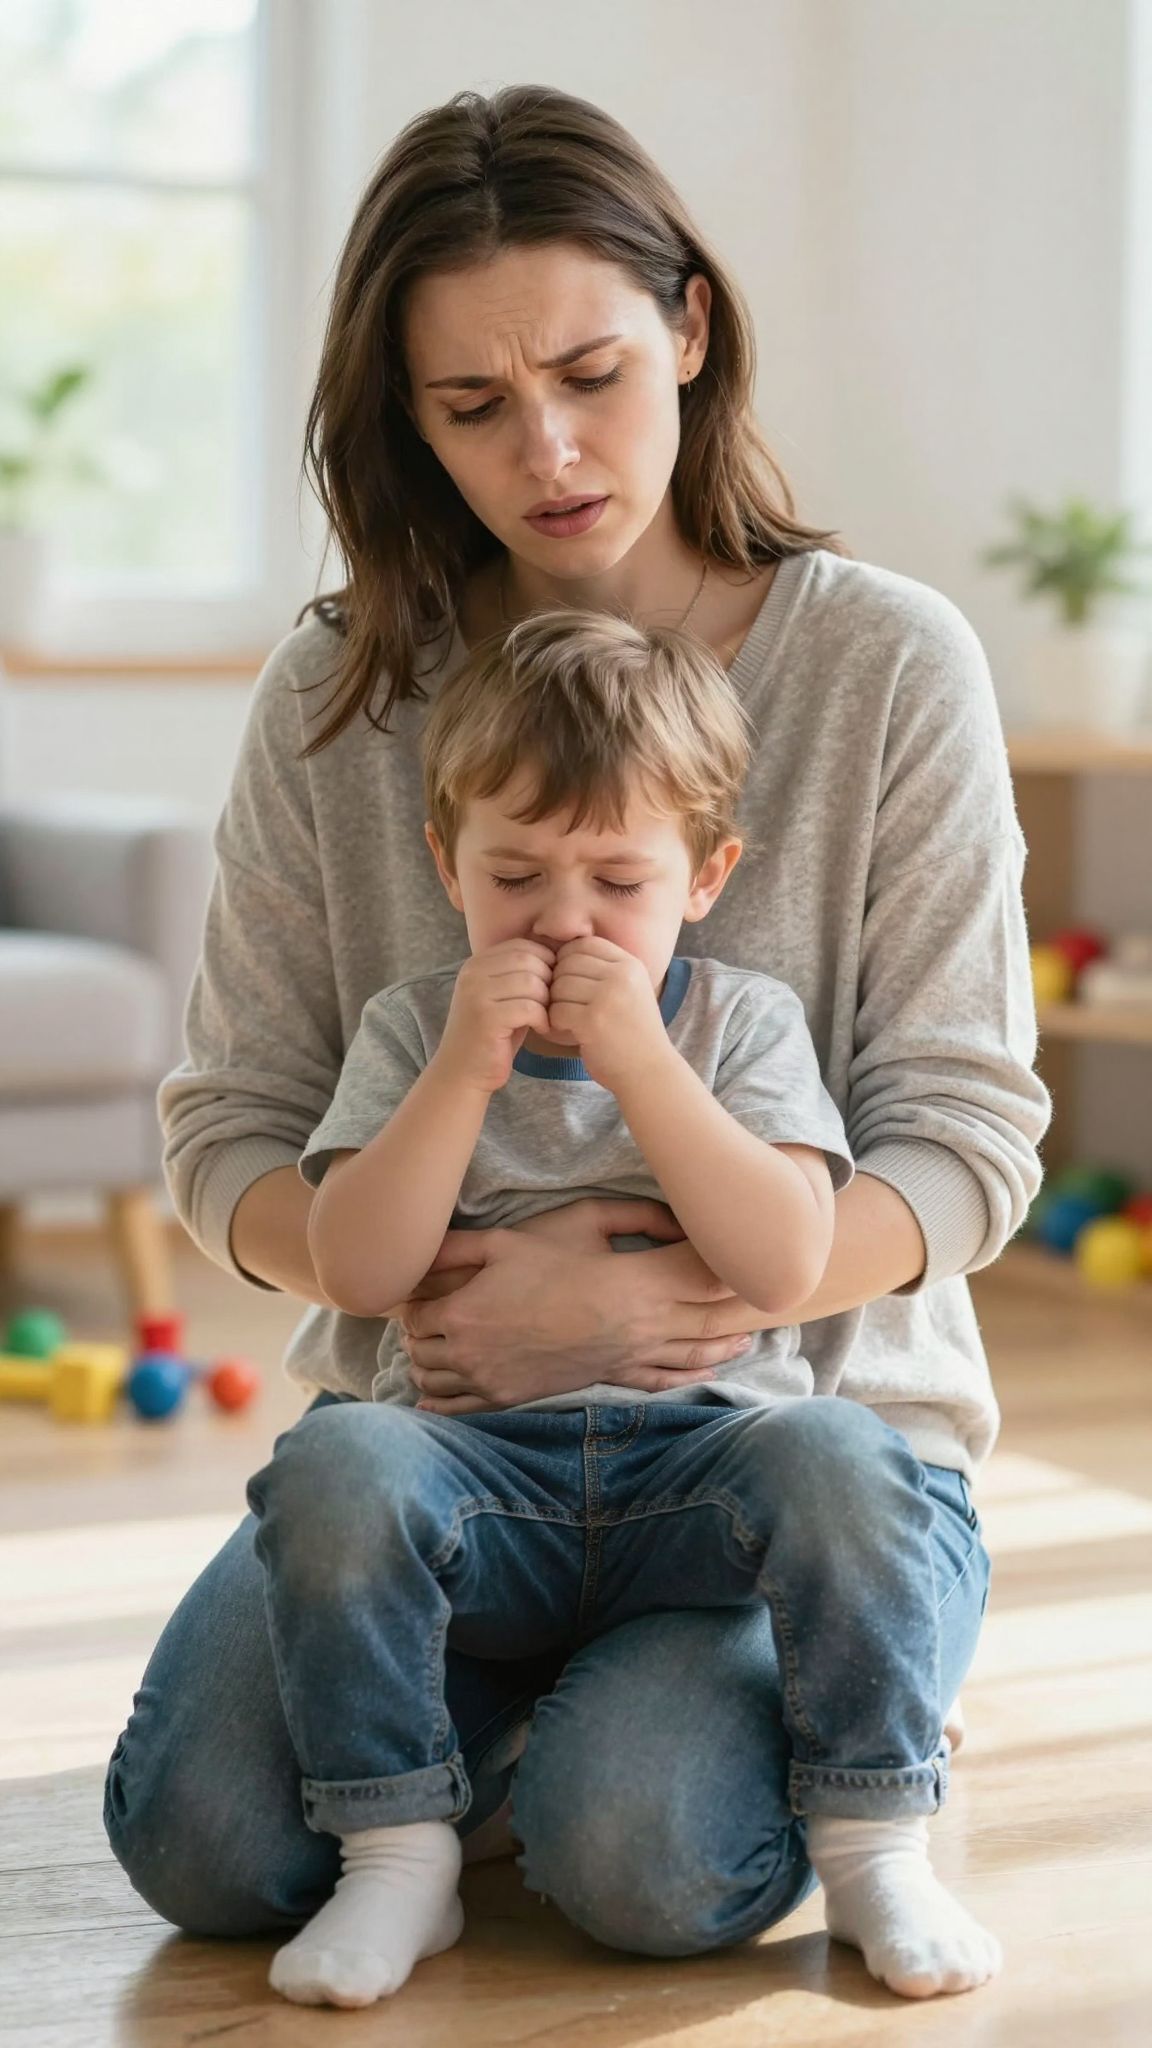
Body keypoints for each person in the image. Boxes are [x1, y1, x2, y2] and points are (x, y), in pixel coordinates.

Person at [103, 83, 1049, 2002]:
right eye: (469, 408)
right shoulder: (336, 690)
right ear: (405, 420)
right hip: (450, 1455)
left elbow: (962, 1135)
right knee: (202, 1842)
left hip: (783, 1444)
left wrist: (641, 1307)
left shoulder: (885, 666)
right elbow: (229, 1134)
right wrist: (467, 1304)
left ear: (692, 327)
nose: (548, 451)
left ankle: (767, 1724)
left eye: (595, 372)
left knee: (642, 1853)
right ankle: (504, 1740)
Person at [247, 608, 861, 2006]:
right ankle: (398, 1848)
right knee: (333, 1461)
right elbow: (360, 1269)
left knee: (845, 1460)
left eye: (617, 884)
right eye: (514, 875)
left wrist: (643, 1063)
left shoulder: (740, 1026)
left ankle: (873, 1826)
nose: (565, 922)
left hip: (698, 1478)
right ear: (443, 865)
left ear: (707, 879)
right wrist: (463, 1071)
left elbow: (781, 1262)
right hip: (471, 1483)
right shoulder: (415, 1028)